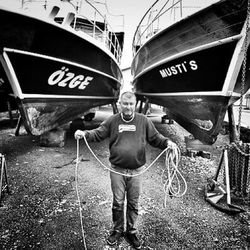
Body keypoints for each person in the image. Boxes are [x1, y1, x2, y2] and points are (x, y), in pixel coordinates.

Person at [75, 91, 178, 249]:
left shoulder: (143, 121)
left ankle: (131, 231)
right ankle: (117, 230)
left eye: (131, 104)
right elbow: (98, 133)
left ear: (135, 105)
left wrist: (167, 143)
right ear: (120, 104)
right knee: (117, 202)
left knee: (133, 203)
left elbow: (156, 138)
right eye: (125, 104)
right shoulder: (113, 120)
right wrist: (84, 133)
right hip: (117, 170)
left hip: (137, 171)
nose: (128, 107)